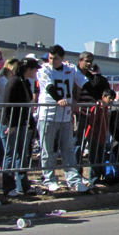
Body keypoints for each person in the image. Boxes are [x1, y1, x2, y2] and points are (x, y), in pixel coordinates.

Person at [36, 45, 90, 192]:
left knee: (68, 149)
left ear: (62, 58)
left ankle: (73, 180)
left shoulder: (70, 69)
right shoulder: (43, 70)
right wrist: (59, 99)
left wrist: (97, 96)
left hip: (65, 117)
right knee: (48, 150)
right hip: (47, 115)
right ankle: (49, 179)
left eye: (55, 58)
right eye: (50, 58)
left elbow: (84, 82)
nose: (52, 61)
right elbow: (48, 87)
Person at [1, 57, 41, 196]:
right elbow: (7, 103)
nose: (36, 71)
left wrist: (29, 120)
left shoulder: (25, 82)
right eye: (34, 69)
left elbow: (27, 104)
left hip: (22, 122)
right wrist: (10, 124)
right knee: (10, 155)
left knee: (21, 155)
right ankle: (8, 187)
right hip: (11, 124)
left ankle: (23, 186)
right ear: (28, 69)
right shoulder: (14, 82)